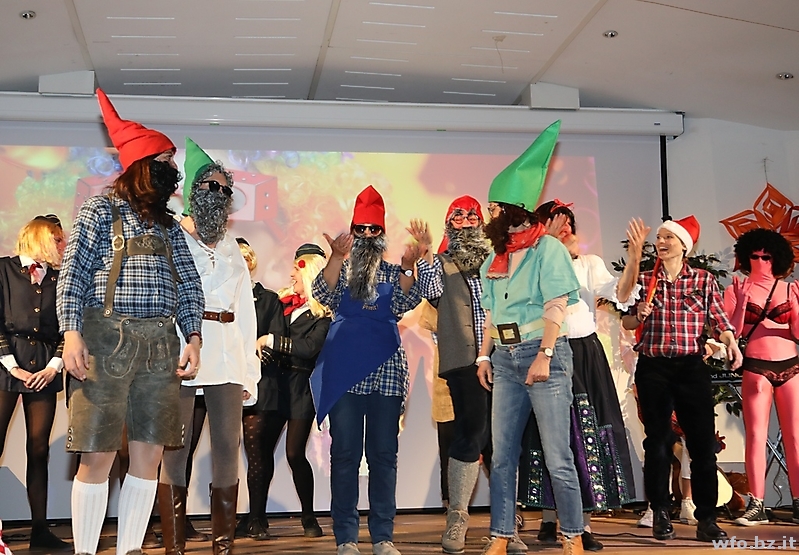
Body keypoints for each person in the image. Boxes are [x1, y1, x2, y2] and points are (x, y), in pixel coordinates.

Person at [57, 89, 204, 555]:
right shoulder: (99, 210)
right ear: (142, 165)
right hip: (105, 343)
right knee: (97, 452)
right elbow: (73, 275)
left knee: (150, 454)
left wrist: (194, 335)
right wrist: (71, 333)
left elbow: (190, 284)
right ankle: (86, 551)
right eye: (165, 160)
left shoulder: (169, 224)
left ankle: (129, 551)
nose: (172, 169)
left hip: (161, 345)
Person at [476, 120, 585, 555]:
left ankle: (573, 535)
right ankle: (501, 535)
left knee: (558, 456)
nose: (488, 215)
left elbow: (555, 306)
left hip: (544, 355)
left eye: (492, 207)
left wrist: (545, 353)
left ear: (511, 209)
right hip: (504, 358)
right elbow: (491, 312)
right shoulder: (495, 255)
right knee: (502, 455)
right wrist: (483, 357)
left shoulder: (548, 250)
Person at [523, 200, 646, 551]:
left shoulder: (588, 264)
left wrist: (634, 257)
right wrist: (546, 246)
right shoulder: (532, 263)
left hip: (584, 354)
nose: (566, 229)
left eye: (569, 223)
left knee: (583, 435)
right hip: (547, 350)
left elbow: (622, 294)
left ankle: (581, 525)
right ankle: (549, 518)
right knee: (548, 433)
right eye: (557, 223)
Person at [158, 137, 260, 555]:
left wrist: (250, 372)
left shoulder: (234, 247)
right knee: (175, 448)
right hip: (185, 348)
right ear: (192, 191)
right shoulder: (171, 237)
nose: (218, 193)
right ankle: (174, 547)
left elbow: (246, 311)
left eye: (224, 189)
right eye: (209, 186)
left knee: (227, 449)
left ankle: (223, 547)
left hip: (228, 352)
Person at [311, 185, 423, 555]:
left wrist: (409, 265)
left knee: (383, 456)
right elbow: (322, 293)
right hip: (344, 370)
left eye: (374, 229)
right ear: (352, 231)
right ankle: (346, 537)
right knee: (344, 455)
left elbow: (405, 301)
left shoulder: (393, 271)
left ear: (382, 233)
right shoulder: (341, 269)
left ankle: (382, 537)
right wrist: (335, 256)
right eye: (361, 229)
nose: (367, 235)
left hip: (386, 370)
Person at [621, 215, 742, 542]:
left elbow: (720, 321)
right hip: (654, 367)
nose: (660, 242)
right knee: (657, 442)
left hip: (690, 367)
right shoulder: (645, 280)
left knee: (702, 444)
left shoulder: (703, 280)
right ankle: (660, 512)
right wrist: (637, 315)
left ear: (684, 246)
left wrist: (731, 343)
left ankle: (707, 519)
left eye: (668, 238)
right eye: (659, 237)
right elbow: (627, 322)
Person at [409, 196, 515, 554]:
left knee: (500, 442)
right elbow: (432, 293)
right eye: (459, 217)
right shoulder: (441, 263)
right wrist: (425, 254)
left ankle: (505, 528)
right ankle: (457, 518)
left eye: (472, 216)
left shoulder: (498, 260)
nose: (467, 222)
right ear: (449, 224)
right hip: (464, 362)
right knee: (471, 432)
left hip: (503, 359)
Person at [247, 242, 332, 538]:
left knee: (295, 453)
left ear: (309, 272)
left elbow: (309, 348)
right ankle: (256, 517)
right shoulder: (281, 304)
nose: (291, 274)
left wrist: (272, 341)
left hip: (302, 389)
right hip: (275, 386)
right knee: (261, 452)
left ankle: (309, 517)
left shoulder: (324, 315)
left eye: (297, 268)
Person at [0, 215, 70, 551]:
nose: (61, 245)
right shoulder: (4, 269)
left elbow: (70, 326)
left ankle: (40, 532)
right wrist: (12, 367)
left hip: (45, 366)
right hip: (5, 366)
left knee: (39, 449)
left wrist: (54, 366)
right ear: (39, 237)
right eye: (56, 238)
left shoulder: (60, 277)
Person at [723, 228, 799, 526]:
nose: (760, 262)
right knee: (755, 436)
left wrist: (796, 307)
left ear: (776, 258)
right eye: (754, 256)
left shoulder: (789, 289)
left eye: (766, 257)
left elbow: (797, 333)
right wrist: (742, 303)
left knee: (795, 436)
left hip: (791, 365)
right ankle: (757, 503)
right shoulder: (735, 289)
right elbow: (732, 333)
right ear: (746, 257)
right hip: (756, 366)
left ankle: (798, 501)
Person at [235, 237, 284, 541]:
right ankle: (238, 517)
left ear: (251, 262)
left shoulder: (268, 299)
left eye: (244, 258)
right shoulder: (219, 298)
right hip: (225, 384)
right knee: (227, 453)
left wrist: (250, 368)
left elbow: (274, 342)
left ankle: (256, 517)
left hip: (259, 384)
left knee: (257, 453)